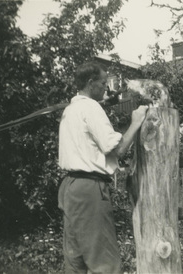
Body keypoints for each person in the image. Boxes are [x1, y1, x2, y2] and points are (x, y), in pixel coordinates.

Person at [58, 61, 148, 273]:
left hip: (70, 188)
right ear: (91, 83)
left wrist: (103, 103)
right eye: (103, 83)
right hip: (90, 190)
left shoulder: (72, 109)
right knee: (104, 263)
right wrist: (136, 122)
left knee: (76, 261)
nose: (106, 88)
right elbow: (117, 150)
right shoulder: (91, 108)